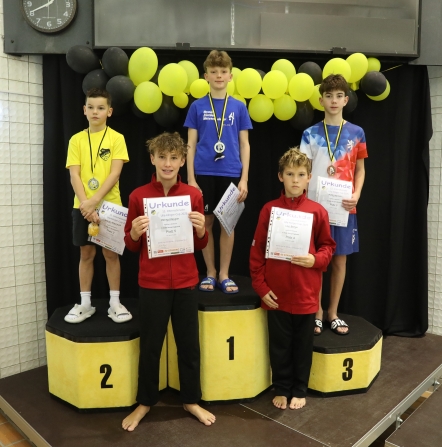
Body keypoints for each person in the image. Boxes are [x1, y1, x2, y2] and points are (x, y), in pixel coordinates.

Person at [122, 132, 216, 431]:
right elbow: (130, 245)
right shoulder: (138, 196)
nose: (167, 163)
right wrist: (134, 233)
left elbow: (201, 244)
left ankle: (191, 400)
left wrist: (201, 230)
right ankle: (145, 402)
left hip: (186, 282)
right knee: (151, 346)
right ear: (152, 159)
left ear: (182, 161)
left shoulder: (193, 195)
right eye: (162, 157)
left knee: (189, 346)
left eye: (174, 157)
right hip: (152, 284)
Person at [250, 148, 335, 410]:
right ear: (280, 176)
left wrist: (315, 260)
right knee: (279, 346)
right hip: (275, 295)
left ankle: (300, 389)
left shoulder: (317, 212)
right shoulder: (269, 210)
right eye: (289, 174)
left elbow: (328, 247)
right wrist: (261, 287)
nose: (295, 180)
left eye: (300, 174)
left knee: (302, 346)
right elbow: (257, 251)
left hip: (306, 295)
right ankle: (282, 388)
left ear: (309, 177)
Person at [300, 74, 368, 336]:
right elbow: (303, 172)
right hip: (315, 208)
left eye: (339, 96)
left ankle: (333, 313)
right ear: (321, 100)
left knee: (339, 261)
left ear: (346, 100)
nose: (334, 101)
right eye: (328, 96)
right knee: (316, 262)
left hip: (344, 207)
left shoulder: (357, 132)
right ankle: (316, 312)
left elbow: (360, 170)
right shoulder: (310, 134)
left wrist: (357, 194)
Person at [184, 49, 253, 294]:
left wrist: (244, 179)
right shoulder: (197, 106)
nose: (219, 76)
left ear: (231, 76)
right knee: (206, 222)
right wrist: (190, 178)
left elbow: (244, 144)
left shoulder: (239, 107)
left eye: (223, 71)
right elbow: (190, 145)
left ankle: (224, 273)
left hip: (231, 172)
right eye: (214, 72)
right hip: (203, 172)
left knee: (227, 224)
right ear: (206, 76)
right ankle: (210, 272)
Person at [64, 88, 132, 324]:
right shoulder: (76, 140)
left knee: (111, 254)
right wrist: (86, 205)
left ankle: (115, 302)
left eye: (101, 108)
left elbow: (115, 173)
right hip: (82, 206)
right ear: (84, 110)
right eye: (91, 107)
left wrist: (94, 202)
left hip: (110, 206)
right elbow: (74, 174)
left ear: (109, 111)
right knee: (86, 253)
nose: (95, 112)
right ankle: (85, 303)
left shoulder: (117, 138)